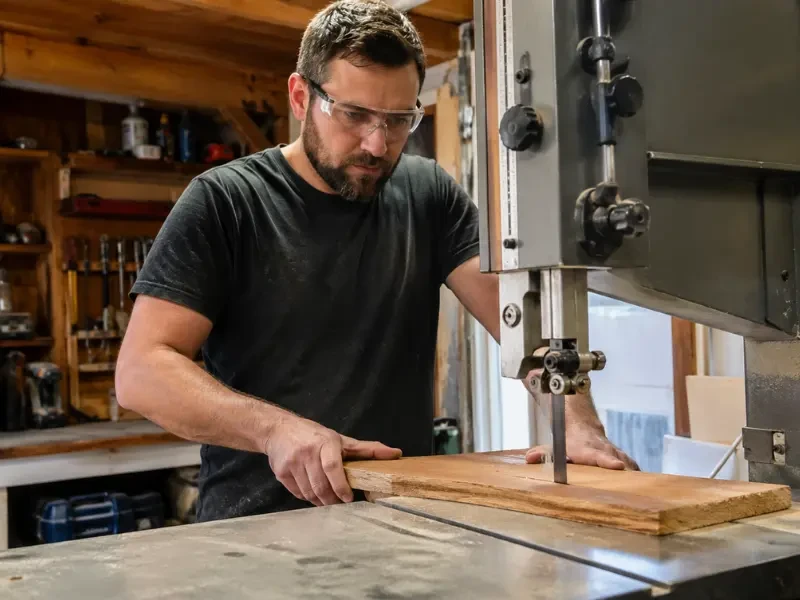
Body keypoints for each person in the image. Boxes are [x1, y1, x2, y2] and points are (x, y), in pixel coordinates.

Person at [116, 0, 637, 523]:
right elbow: (142, 372)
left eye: (398, 120)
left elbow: (526, 331)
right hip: (255, 532)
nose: (376, 143)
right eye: (355, 115)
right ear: (301, 97)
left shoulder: (429, 195)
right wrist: (275, 430)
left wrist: (579, 428)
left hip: (402, 523)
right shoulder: (225, 202)